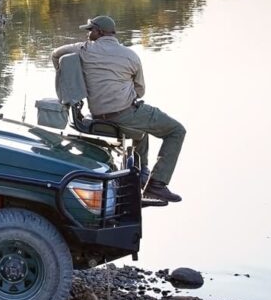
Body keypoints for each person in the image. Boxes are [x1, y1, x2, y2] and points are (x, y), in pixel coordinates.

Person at [52, 15, 185, 205]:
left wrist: (67, 77)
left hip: (98, 113)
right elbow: (140, 90)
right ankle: (157, 185)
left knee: (142, 129)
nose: (89, 34)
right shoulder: (131, 56)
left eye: (91, 30)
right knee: (176, 130)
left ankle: (141, 175)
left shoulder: (84, 49)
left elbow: (56, 54)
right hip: (124, 113)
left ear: (99, 32)